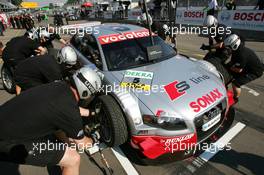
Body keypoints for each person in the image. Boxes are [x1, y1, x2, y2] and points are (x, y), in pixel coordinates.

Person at [0, 67, 102, 175]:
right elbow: (82, 144)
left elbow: (68, 112)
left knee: (65, 140)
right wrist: (94, 138)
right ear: (85, 92)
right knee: (73, 159)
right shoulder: (69, 110)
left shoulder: (58, 86)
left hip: (7, 118)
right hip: (8, 141)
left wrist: (92, 112)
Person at [14, 46, 79, 93]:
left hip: (23, 67)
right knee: (43, 93)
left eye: (71, 66)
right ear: (60, 59)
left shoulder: (51, 57)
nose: (70, 67)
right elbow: (56, 89)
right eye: (68, 65)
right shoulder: (54, 70)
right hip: (22, 75)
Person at [224, 34, 264, 100]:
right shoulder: (237, 49)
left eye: (228, 47)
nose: (227, 49)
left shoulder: (241, 55)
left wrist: (228, 67)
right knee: (230, 72)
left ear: (234, 45)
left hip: (255, 72)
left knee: (236, 83)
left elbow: (238, 70)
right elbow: (233, 61)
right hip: (247, 66)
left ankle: (235, 98)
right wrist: (227, 66)